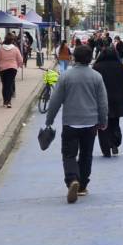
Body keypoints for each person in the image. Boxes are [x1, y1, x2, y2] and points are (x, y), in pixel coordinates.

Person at [45, 45, 108, 203]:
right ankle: (82, 186)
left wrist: (49, 120)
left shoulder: (65, 76)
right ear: (90, 59)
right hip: (90, 123)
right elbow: (103, 102)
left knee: (69, 154)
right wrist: (103, 121)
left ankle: (72, 179)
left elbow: (55, 101)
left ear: (73, 58)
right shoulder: (96, 77)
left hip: (70, 123)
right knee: (86, 155)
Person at [92, 48, 123, 157]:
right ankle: (115, 142)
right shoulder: (120, 66)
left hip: (101, 100)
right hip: (118, 99)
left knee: (103, 124)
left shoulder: (97, 67)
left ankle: (106, 149)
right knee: (115, 122)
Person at [0, 33, 23, 108]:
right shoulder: (15, 49)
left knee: (4, 85)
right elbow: (20, 60)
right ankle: (9, 102)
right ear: (12, 40)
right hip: (13, 69)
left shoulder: (0, 49)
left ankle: (5, 101)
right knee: (10, 84)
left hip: (3, 69)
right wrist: (17, 66)